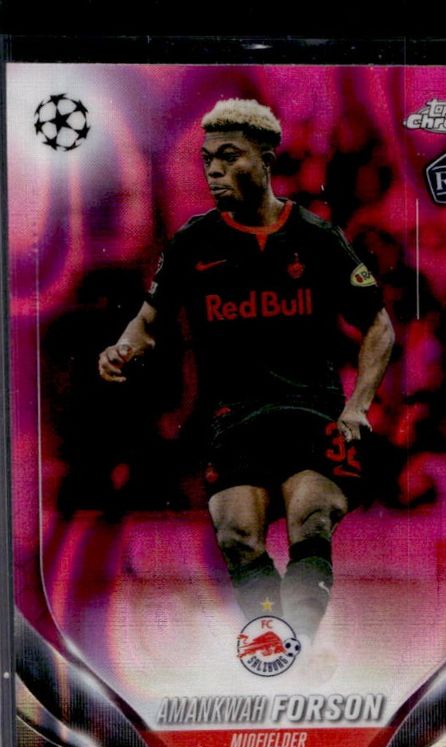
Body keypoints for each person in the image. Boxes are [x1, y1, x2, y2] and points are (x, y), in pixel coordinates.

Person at [98, 98, 394, 644]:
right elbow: (146, 323)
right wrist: (121, 348)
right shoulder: (192, 243)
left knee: (312, 517)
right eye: (207, 159)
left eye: (228, 157)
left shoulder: (317, 238)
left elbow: (379, 327)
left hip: (311, 412)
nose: (213, 170)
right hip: (232, 418)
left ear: (265, 160)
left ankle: (299, 646)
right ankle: (274, 640)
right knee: (236, 536)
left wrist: (357, 406)